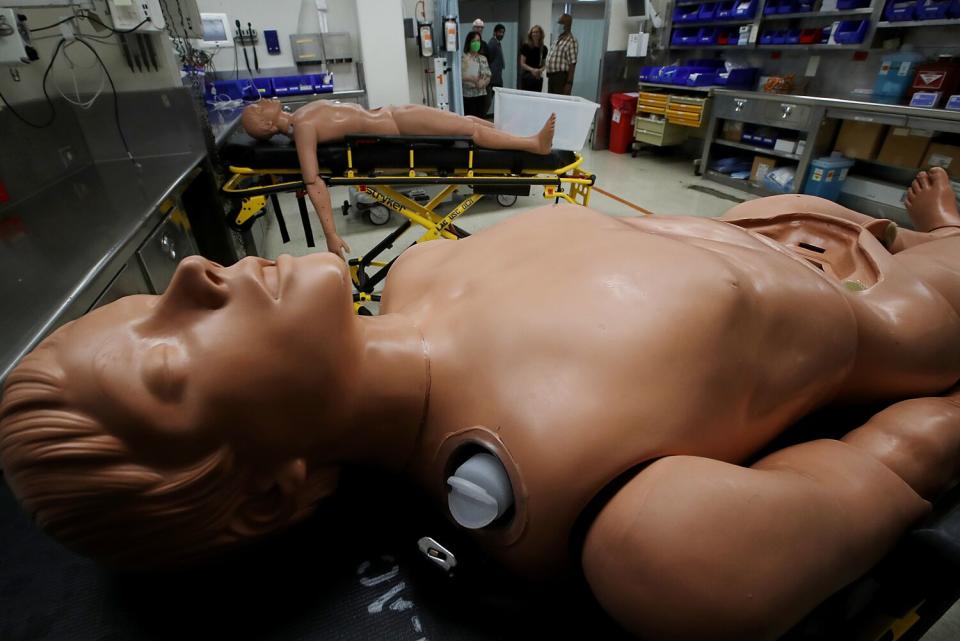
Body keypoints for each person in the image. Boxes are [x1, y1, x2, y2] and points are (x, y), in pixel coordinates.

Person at [4, 168, 960, 641]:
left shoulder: (423, 270)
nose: (197, 273)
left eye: (147, 298)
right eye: (167, 364)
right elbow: (893, 456)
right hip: (891, 313)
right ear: (266, 495)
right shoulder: (619, 519)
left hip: (767, 218)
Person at [239, 99, 553, 258]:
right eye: (259, 106)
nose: (264, 100)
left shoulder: (300, 117)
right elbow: (313, 182)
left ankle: (519, 138)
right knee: (470, 129)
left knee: (468, 121)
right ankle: (532, 145)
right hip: (396, 126)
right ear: (267, 124)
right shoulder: (303, 130)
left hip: (391, 114)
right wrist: (331, 236)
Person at [545, 13, 578, 95]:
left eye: (560, 23)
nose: (558, 25)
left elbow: (572, 64)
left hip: (560, 78)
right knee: (551, 102)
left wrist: (569, 83)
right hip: (551, 76)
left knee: (558, 104)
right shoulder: (558, 39)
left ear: (567, 25)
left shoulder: (571, 40)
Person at [461, 31, 492, 119]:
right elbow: (461, 77)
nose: (476, 43)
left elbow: (488, 75)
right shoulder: (464, 59)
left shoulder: (483, 58)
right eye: (473, 41)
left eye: (478, 41)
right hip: (468, 96)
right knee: (470, 121)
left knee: (480, 120)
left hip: (481, 95)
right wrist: (474, 80)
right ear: (469, 43)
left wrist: (484, 83)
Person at [519, 24, 548, 92]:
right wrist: (532, 70)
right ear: (531, 34)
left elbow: (544, 64)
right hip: (527, 76)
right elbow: (522, 63)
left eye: (537, 32)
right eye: (533, 32)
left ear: (541, 34)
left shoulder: (544, 48)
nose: (535, 34)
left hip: (538, 77)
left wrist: (540, 70)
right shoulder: (526, 46)